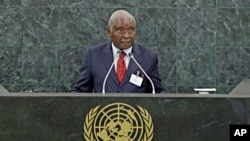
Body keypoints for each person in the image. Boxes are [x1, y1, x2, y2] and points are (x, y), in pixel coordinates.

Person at [71, 9, 166, 93]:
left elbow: (157, 91)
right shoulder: (93, 55)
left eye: (131, 30)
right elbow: (80, 91)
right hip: (104, 113)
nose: (127, 36)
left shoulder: (149, 57)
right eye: (121, 31)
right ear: (109, 31)